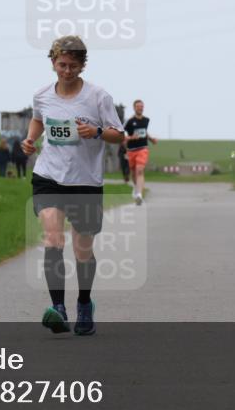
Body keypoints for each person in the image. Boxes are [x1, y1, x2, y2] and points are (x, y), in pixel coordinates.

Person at [20, 36, 124, 336]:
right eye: (62, 65)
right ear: (53, 62)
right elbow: (38, 120)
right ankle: (58, 309)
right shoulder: (42, 95)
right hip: (48, 176)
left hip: (85, 182)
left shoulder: (98, 97)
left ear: (83, 66)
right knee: (53, 239)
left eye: (74, 66)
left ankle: (83, 303)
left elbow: (119, 134)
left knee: (82, 250)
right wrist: (30, 140)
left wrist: (97, 131)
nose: (67, 71)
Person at [123, 99, 157, 205]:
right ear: (134, 108)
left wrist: (151, 139)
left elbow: (144, 132)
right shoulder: (129, 121)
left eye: (142, 106)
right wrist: (131, 137)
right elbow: (122, 136)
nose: (140, 108)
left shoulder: (146, 120)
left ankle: (139, 195)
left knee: (140, 171)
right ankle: (136, 188)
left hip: (143, 149)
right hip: (131, 151)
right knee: (134, 174)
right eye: (138, 106)